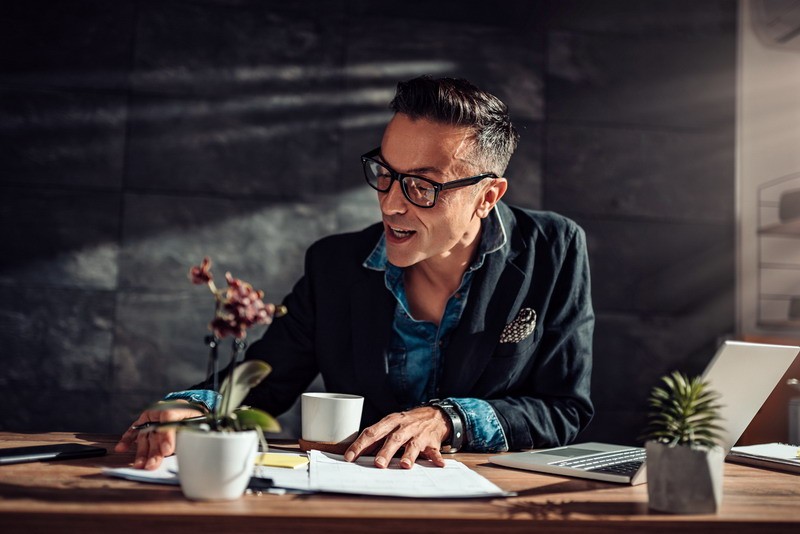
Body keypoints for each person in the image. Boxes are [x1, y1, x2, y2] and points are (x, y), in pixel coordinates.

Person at [116, 75, 594, 471]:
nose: (390, 202)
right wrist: (195, 409)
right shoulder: (335, 265)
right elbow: (266, 378)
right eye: (384, 172)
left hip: (495, 506)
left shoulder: (553, 249)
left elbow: (564, 407)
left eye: (421, 186)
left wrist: (448, 420)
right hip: (359, 497)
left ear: (488, 196)